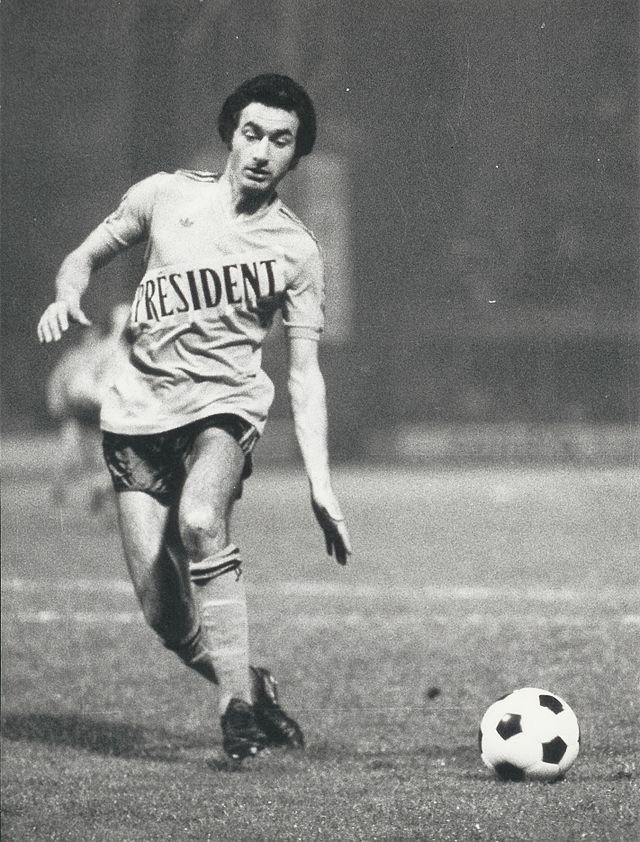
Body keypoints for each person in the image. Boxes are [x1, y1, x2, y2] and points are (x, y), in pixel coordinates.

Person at [37, 74, 352, 762]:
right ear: (230, 135)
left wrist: (320, 483)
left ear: (296, 157)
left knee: (202, 521)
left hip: (223, 411)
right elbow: (83, 256)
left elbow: (303, 373)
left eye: (282, 139)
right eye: (253, 132)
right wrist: (67, 292)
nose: (264, 150)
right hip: (135, 417)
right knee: (163, 614)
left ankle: (235, 712)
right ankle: (252, 686)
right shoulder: (164, 197)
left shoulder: (295, 251)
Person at [46, 304, 132, 510]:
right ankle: (99, 488)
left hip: (89, 405)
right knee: (95, 455)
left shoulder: (107, 349)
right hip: (95, 406)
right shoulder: (115, 350)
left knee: (95, 456)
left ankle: (99, 488)